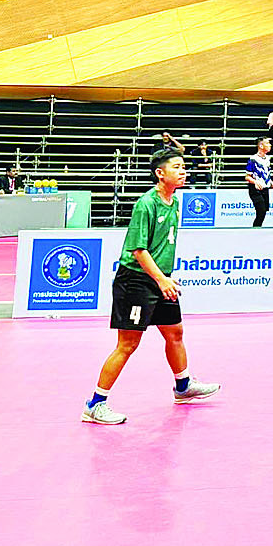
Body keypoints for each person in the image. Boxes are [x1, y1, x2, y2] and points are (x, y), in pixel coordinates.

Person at [81, 148, 220, 425]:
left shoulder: (175, 202)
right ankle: (95, 405)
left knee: (174, 332)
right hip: (136, 281)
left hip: (160, 279)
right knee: (128, 344)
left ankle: (183, 387)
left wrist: (164, 277)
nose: (183, 171)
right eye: (176, 167)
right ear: (160, 173)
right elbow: (138, 250)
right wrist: (161, 279)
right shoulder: (146, 204)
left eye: (184, 167)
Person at [244, 136, 273, 228]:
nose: (270, 145)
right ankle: (256, 229)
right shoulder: (253, 159)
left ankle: (257, 228)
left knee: (263, 212)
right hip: (255, 189)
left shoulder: (268, 159)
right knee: (261, 210)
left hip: (265, 188)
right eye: (267, 143)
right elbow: (247, 177)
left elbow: (267, 176)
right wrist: (255, 182)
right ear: (261, 145)